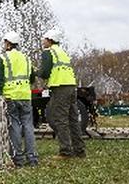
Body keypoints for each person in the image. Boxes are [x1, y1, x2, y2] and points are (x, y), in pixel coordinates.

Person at [38, 28, 86, 159]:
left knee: (60, 119)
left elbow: (45, 72)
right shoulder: (62, 52)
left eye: (44, 39)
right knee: (73, 119)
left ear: (50, 40)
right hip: (71, 87)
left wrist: (36, 73)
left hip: (60, 88)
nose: (43, 41)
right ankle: (79, 150)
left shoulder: (49, 52)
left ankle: (65, 151)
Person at [0, 31, 38, 168]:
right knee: (28, 126)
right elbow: (32, 78)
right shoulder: (26, 59)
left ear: (7, 43)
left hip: (10, 97)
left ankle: (18, 158)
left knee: (14, 126)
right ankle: (32, 158)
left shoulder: (2, 59)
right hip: (25, 96)